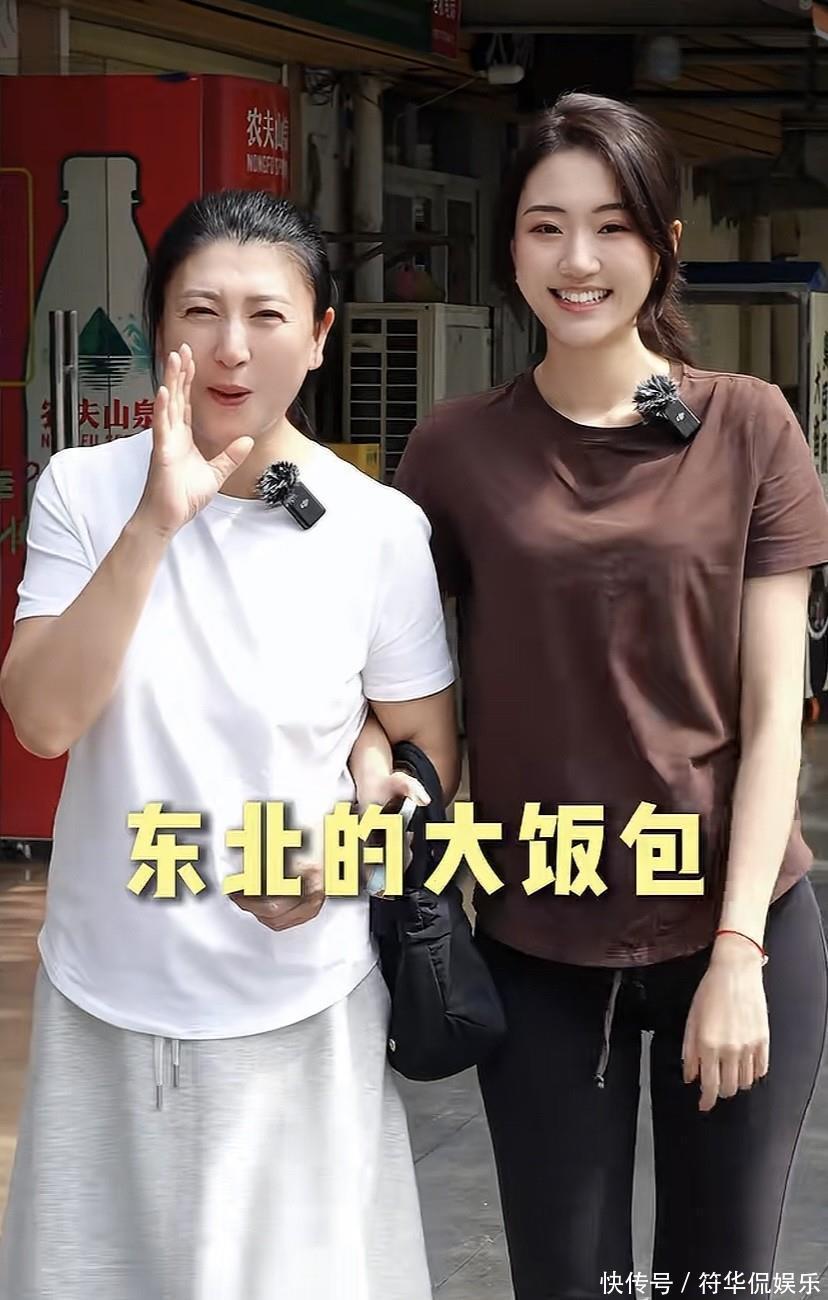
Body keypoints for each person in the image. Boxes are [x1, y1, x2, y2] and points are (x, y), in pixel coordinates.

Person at [394, 93, 828, 1298]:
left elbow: (775, 713)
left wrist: (737, 954)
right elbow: (397, 685)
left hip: (735, 922)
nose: (577, 259)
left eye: (611, 225)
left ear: (664, 242)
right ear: (511, 247)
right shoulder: (454, 451)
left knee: (717, 1277)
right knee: (566, 1278)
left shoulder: (749, 425)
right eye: (546, 226)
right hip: (538, 929)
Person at [0, 189, 459, 1300]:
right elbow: (43, 719)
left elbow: (432, 760)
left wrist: (340, 861)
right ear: (157, 323)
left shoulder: (377, 528)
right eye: (199, 311)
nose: (231, 348)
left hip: (303, 1003)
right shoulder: (85, 491)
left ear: (321, 333)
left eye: (266, 314)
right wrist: (156, 521)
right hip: (105, 989)